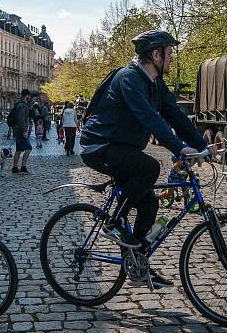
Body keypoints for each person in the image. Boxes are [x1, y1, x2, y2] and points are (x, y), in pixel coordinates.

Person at [80, 29, 216, 288]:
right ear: (156, 54)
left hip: (121, 147)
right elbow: (149, 118)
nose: (172, 58)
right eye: (170, 52)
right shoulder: (129, 78)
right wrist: (178, 147)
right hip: (99, 146)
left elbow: (174, 115)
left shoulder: (155, 84)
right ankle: (113, 224)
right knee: (149, 167)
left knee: (150, 204)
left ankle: (137, 265)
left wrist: (202, 146)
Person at [11, 89, 33, 174]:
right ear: (26, 95)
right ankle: (23, 167)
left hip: (17, 129)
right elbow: (21, 119)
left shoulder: (19, 104)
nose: (29, 97)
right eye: (29, 95)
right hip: (20, 130)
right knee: (28, 148)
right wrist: (24, 131)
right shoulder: (23, 105)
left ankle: (15, 168)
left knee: (19, 149)